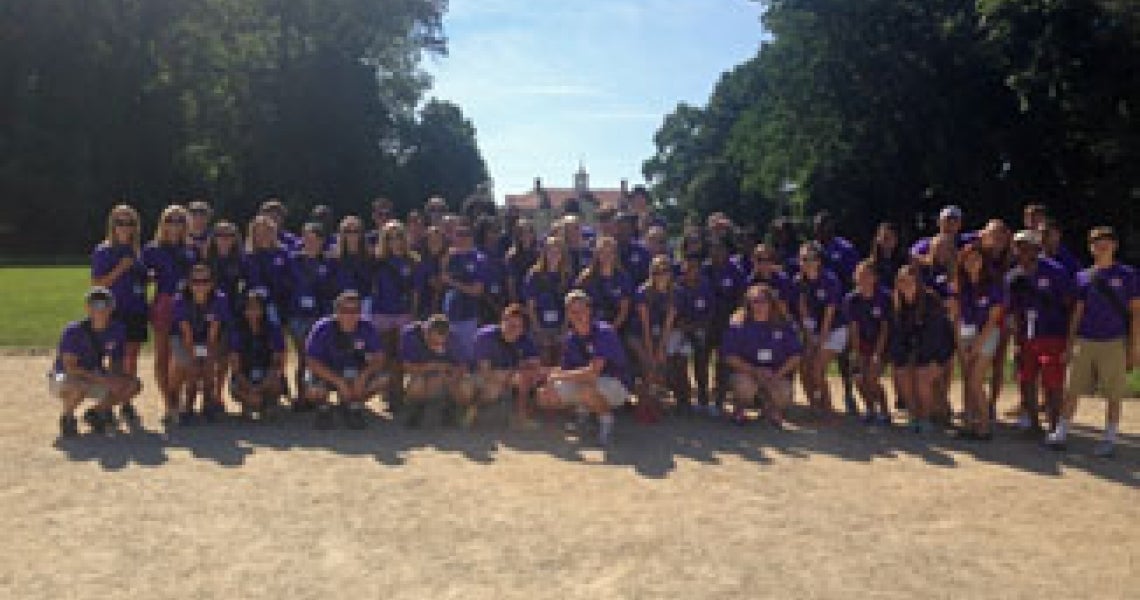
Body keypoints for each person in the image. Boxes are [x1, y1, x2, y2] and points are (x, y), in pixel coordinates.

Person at [1046, 226, 1139, 457]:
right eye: (1097, 242)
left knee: (1114, 393)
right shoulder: (1083, 277)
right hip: (1085, 340)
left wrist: (1134, 347)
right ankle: (1062, 431)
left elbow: (1136, 312)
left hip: (1114, 340)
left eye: (1106, 241)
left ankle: (1109, 437)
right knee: (1072, 389)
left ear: (1115, 245)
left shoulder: (1128, 275)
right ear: (1090, 247)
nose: (1102, 245)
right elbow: (1077, 313)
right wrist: (1069, 345)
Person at [537, 290, 631, 446]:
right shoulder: (571, 338)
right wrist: (548, 376)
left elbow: (593, 373)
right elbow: (566, 369)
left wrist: (558, 376)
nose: (578, 315)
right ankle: (583, 414)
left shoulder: (604, 332)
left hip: (616, 384)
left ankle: (606, 422)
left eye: (581, 310)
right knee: (544, 395)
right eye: (573, 311)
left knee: (586, 389)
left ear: (589, 310)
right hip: (588, 383)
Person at [48, 287, 142, 436]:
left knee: (133, 385)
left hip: (93, 373)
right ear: (87, 308)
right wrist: (105, 380)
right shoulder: (73, 330)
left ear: (112, 308)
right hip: (60, 375)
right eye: (94, 304)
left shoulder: (117, 329)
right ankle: (67, 418)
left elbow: (116, 360)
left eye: (105, 304)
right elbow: (70, 367)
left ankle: (96, 413)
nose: (100, 309)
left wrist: (116, 381)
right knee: (78, 385)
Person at [1005, 229, 1074, 434]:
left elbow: (1069, 303)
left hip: (1053, 333)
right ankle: (1033, 422)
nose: (1023, 251)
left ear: (1037, 248)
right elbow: (1014, 311)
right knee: (1025, 378)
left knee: (1052, 382)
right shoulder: (1013, 276)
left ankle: (1054, 426)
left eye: (1027, 247)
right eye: (1018, 247)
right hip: (1027, 335)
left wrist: (1069, 339)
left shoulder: (1055, 270)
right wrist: (1016, 341)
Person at [90, 205, 148, 425]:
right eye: (120, 222)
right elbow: (97, 284)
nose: (125, 227)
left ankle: (126, 401)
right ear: (112, 226)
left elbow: (140, 279)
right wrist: (119, 269)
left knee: (132, 357)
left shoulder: (137, 251)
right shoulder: (103, 250)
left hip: (136, 310)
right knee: (114, 358)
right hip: (114, 311)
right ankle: (108, 401)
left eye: (130, 223)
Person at [721, 284, 803, 427]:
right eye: (755, 301)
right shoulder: (738, 324)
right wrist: (754, 371)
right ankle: (740, 407)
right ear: (748, 303)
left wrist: (777, 374)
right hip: (746, 372)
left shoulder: (784, 324)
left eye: (764, 300)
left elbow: (796, 355)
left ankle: (770, 409)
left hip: (775, 372)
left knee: (784, 393)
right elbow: (729, 356)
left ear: (771, 303)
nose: (759, 305)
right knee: (744, 386)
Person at [303, 291, 387, 430]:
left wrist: (364, 376)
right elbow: (311, 361)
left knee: (383, 379)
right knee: (314, 389)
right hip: (328, 373)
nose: (350, 315)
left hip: (355, 373)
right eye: (345, 310)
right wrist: (339, 382)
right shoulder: (322, 327)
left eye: (355, 311)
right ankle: (324, 408)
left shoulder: (367, 327)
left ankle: (352, 406)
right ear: (336, 312)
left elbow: (379, 357)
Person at [142, 204, 197, 415]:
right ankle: (169, 402)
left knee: (183, 354)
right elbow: (141, 277)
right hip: (164, 303)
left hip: (188, 304)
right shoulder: (152, 249)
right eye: (170, 220)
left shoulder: (191, 250)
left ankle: (178, 394)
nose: (175, 225)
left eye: (180, 220)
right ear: (162, 223)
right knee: (162, 355)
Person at [889, 265, 955, 434]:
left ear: (917, 282)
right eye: (902, 281)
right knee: (902, 373)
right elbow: (897, 335)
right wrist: (899, 359)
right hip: (913, 348)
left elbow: (937, 335)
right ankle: (913, 416)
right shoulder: (896, 302)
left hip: (938, 350)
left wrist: (931, 360)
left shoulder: (931, 300)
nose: (906, 284)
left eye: (910, 280)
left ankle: (925, 418)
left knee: (922, 375)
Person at [949, 244, 1004, 440]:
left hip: (987, 334)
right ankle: (969, 422)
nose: (972, 263)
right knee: (967, 380)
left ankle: (985, 424)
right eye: (967, 259)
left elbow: (993, 319)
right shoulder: (958, 286)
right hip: (964, 334)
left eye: (976, 259)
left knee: (975, 380)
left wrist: (978, 345)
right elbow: (955, 317)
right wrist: (960, 345)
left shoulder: (993, 285)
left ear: (983, 261)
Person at [169, 263, 231, 425]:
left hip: (211, 339)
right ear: (189, 283)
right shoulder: (180, 300)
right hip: (183, 338)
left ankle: (208, 403)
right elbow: (186, 334)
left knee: (209, 368)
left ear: (211, 283)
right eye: (196, 281)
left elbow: (214, 332)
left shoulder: (220, 299)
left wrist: (207, 356)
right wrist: (194, 357)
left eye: (205, 281)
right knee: (190, 367)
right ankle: (187, 405)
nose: (200, 285)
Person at [794, 241, 849, 422]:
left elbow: (829, 314)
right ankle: (814, 406)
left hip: (834, 329)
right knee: (803, 365)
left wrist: (820, 341)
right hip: (814, 329)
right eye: (802, 259)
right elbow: (803, 311)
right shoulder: (799, 280)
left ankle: (828, 408)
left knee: (817, 368)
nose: (806, 262)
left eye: (810, 258)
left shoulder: (830, 280)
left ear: (818, 261)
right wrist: (810, 338)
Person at [286, 223, 338, 409]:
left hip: (320, 316)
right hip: (297, 314)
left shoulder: (328, 262)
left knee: (319, 358)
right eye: (306, 239)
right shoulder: (293, 260)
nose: (310, 243)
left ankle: (318, 396)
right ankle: (300, 397)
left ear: (322, 241)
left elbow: (332, 289)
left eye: (314, 239)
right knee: (303, 357)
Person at [470, 304, 543, 429]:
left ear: (523, 328)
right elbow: (484, 371)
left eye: (517, 326)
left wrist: (513, 374)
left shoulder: (526, 340)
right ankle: (471, 411)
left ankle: (520, 418)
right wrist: (509, 375)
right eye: (509, 324)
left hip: (508, 375)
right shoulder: (485, 336)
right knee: (491, 390)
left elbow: (535, 366)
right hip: (477, 376)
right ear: (502, 321)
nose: (512, 329)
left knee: (527, 378)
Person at [400, 314, 474, 428]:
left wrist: (453, 376)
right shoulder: (410, 335)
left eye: (442, 343)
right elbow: (406, 367)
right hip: (422, 375)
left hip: (447, 375)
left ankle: (452, 408)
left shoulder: (454, 337)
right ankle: (417, 409)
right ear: (425, 332)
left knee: (466, 389)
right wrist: (433, 366)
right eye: (433, 342)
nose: (438, 346)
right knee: (416, 385)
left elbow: (464, 366)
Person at [844, 260, 892, 425]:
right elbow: (854, 328)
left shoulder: (884, 297)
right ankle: (870, 409)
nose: (863, 278)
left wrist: (877, 355)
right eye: (860, 275)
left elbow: (885, 329)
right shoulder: (852, 299)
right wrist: (856, 353)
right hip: (862, 343)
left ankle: (885, 412)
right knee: (858, 377)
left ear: (874, 278)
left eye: (867, 275)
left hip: (881, 343)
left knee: (872, 377)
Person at [702, 238, 746, 415]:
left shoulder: (735, 271)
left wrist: (736, 319)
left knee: (723, 361)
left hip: (726, 322)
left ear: (727, 252)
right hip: (705, 322)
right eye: (713, 249)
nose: (716, 252)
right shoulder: (704, 269)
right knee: (702, 359)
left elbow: (741, 298)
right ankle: (703, 398)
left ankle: (719, 400)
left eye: (720, 249)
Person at [631, 255, 676, 423]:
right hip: (637, 334)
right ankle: (643, 406)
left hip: (659, 335)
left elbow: (668, 324)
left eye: (665, 271)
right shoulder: (643, 292)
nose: (661, 275)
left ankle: (654, 402)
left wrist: (661, 349)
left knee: (661, 364)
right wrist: (651, 352)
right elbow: (645, 325)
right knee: (648, 363)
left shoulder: (674, 293)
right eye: (657, 271)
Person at [228, 291, 286, 420]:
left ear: (263, 310)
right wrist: (250, 389)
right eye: (249, 308)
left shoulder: (274, 331)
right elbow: (236, 368)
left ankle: (269, 403)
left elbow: (277, 364)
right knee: (236, 387)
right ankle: (247, 404)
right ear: (244, 311)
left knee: (277, 382)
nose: (253, 312)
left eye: (256, 308)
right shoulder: (237, 332)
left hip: (267, 376)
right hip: (245, 376)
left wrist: (259, 388)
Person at [672, 255, 716, 411]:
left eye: (695, 267)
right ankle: (682, 397)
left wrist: (696, 327)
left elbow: (711, 313)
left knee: (702, 357)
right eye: (688, 267)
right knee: (678, 357)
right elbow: (673, 313)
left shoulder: (706, 286)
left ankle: (703, 396)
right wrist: (681, 325)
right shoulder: (676, 287)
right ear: (683, 268)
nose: (691, 270)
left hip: (699, 328)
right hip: (679, 329)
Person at [441, 223, 487, 361]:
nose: (462, 238)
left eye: (466, 234)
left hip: (468, 315)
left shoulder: (478, 258)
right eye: (458, 235)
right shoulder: (450, 256)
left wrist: (452, 282)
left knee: (467, 355)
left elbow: (477, 291)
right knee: (449, 356)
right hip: (449, 313)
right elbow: (442, 277)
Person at [525, 235, 572, 366]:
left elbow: (570, 304)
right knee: (544, 360)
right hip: (540, 324)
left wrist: (565, 326)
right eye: (550, 251)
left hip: (561, 325)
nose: (554, 255)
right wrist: (537, 329)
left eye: (557, 252)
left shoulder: (566, 275)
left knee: (560, 361)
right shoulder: (534, 275)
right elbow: (530, 306)